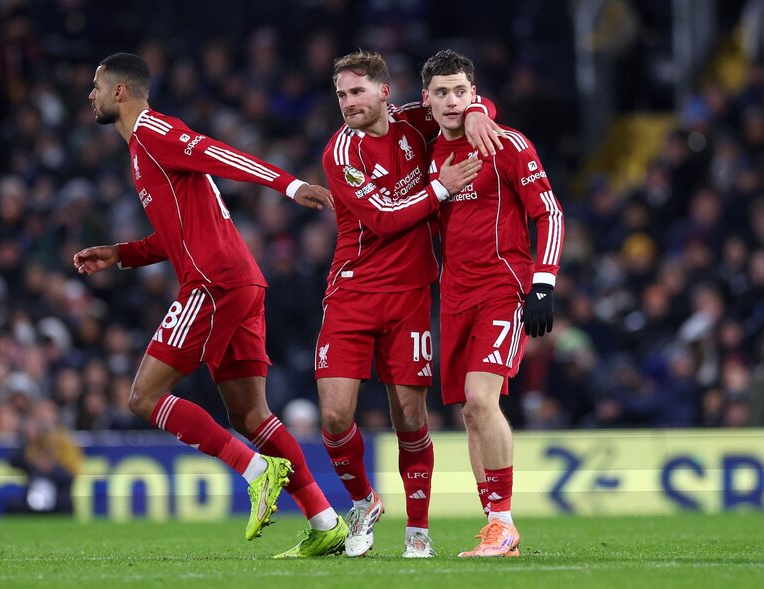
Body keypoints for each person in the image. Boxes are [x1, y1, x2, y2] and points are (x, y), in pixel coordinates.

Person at [74, 52, 346, 557]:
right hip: (239, 282)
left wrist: (289, 184)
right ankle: (325, 521)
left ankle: (255, 470)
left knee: (143, 397)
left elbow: (218, 153)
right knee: (251, 415)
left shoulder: (155, 132)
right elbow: (174, 237)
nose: (89, 94)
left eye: (95, 86)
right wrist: (122, 254)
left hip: (212, 285)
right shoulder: (141, 153)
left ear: (119, 92)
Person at [317, 50, 504, 558]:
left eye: (357, 92)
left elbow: (455, 101)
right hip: (352, 291)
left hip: (410, 295)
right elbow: (382, 220)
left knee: (409, 416)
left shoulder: (412, 121)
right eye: (341, 95)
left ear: (384, 92)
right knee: (334, 416)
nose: (349, 103)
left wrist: (479, 111)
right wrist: (442, 187)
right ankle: (364, 500)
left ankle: (417, 532)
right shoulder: (341, 154)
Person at [421, 50, 564, 557]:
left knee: (483, 400)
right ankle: (494, 526)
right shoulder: (428, 151)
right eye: (442, 92)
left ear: (473, 92)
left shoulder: (505, 144)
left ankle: (504, 522)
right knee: (469, 412)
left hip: (504, 286)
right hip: (454, 294)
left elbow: (548, 211)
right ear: (427, 100)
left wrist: (543, 284)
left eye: (462, 91)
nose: (453, 101)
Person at [5, 399, 82, 515]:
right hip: (34, 492)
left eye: (46, 415)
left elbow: (73, 471)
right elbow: (14, 462)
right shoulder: (32, 443)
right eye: (40, 416)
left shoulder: (65, 441)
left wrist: (53, 468)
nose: (44, 420)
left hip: (59, 492)